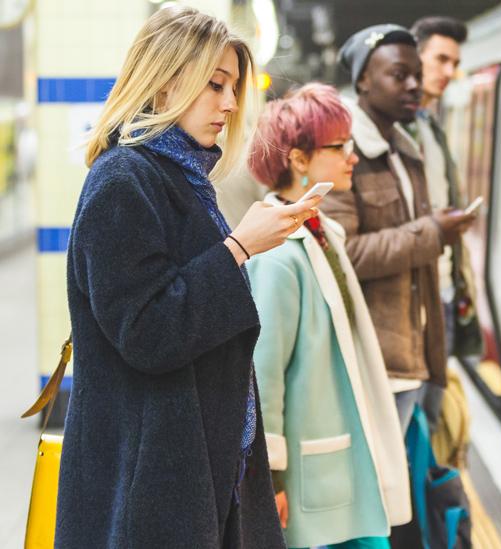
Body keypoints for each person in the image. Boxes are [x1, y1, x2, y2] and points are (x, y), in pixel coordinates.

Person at [58, 6, 321, 547]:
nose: (228, 104)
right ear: (164, 83)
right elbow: (148, 332)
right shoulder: (122, 183)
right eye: (214, 84)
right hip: (149, 483)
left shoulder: (176, 176)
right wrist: (241, 247)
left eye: (232, 88)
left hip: (195, 466)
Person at [246, 84, 411, 549]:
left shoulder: (321, 231)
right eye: (338, 147)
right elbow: (264, 373)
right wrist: (271, 475)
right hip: (311, 474)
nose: (352, 157)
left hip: (337, 462)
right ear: (298, 160)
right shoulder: (278, 256)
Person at [325, 24, 474, 434]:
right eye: (398, 75)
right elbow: (343, 255)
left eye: (416, 75)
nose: (414, 85)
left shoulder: (405, 152)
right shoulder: (343, 152)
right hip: (375, 363)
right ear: (363, 81)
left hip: (414, 352)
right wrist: (433, 233)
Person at [408, 16, 484, 428]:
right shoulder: (393, 132)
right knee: (416, 423)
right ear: (412, 57)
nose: (449, 73)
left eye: (454, 63)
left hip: (443, 291)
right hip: (416, 300)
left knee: (430, 418)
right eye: (440, 59)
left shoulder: (429, 127)